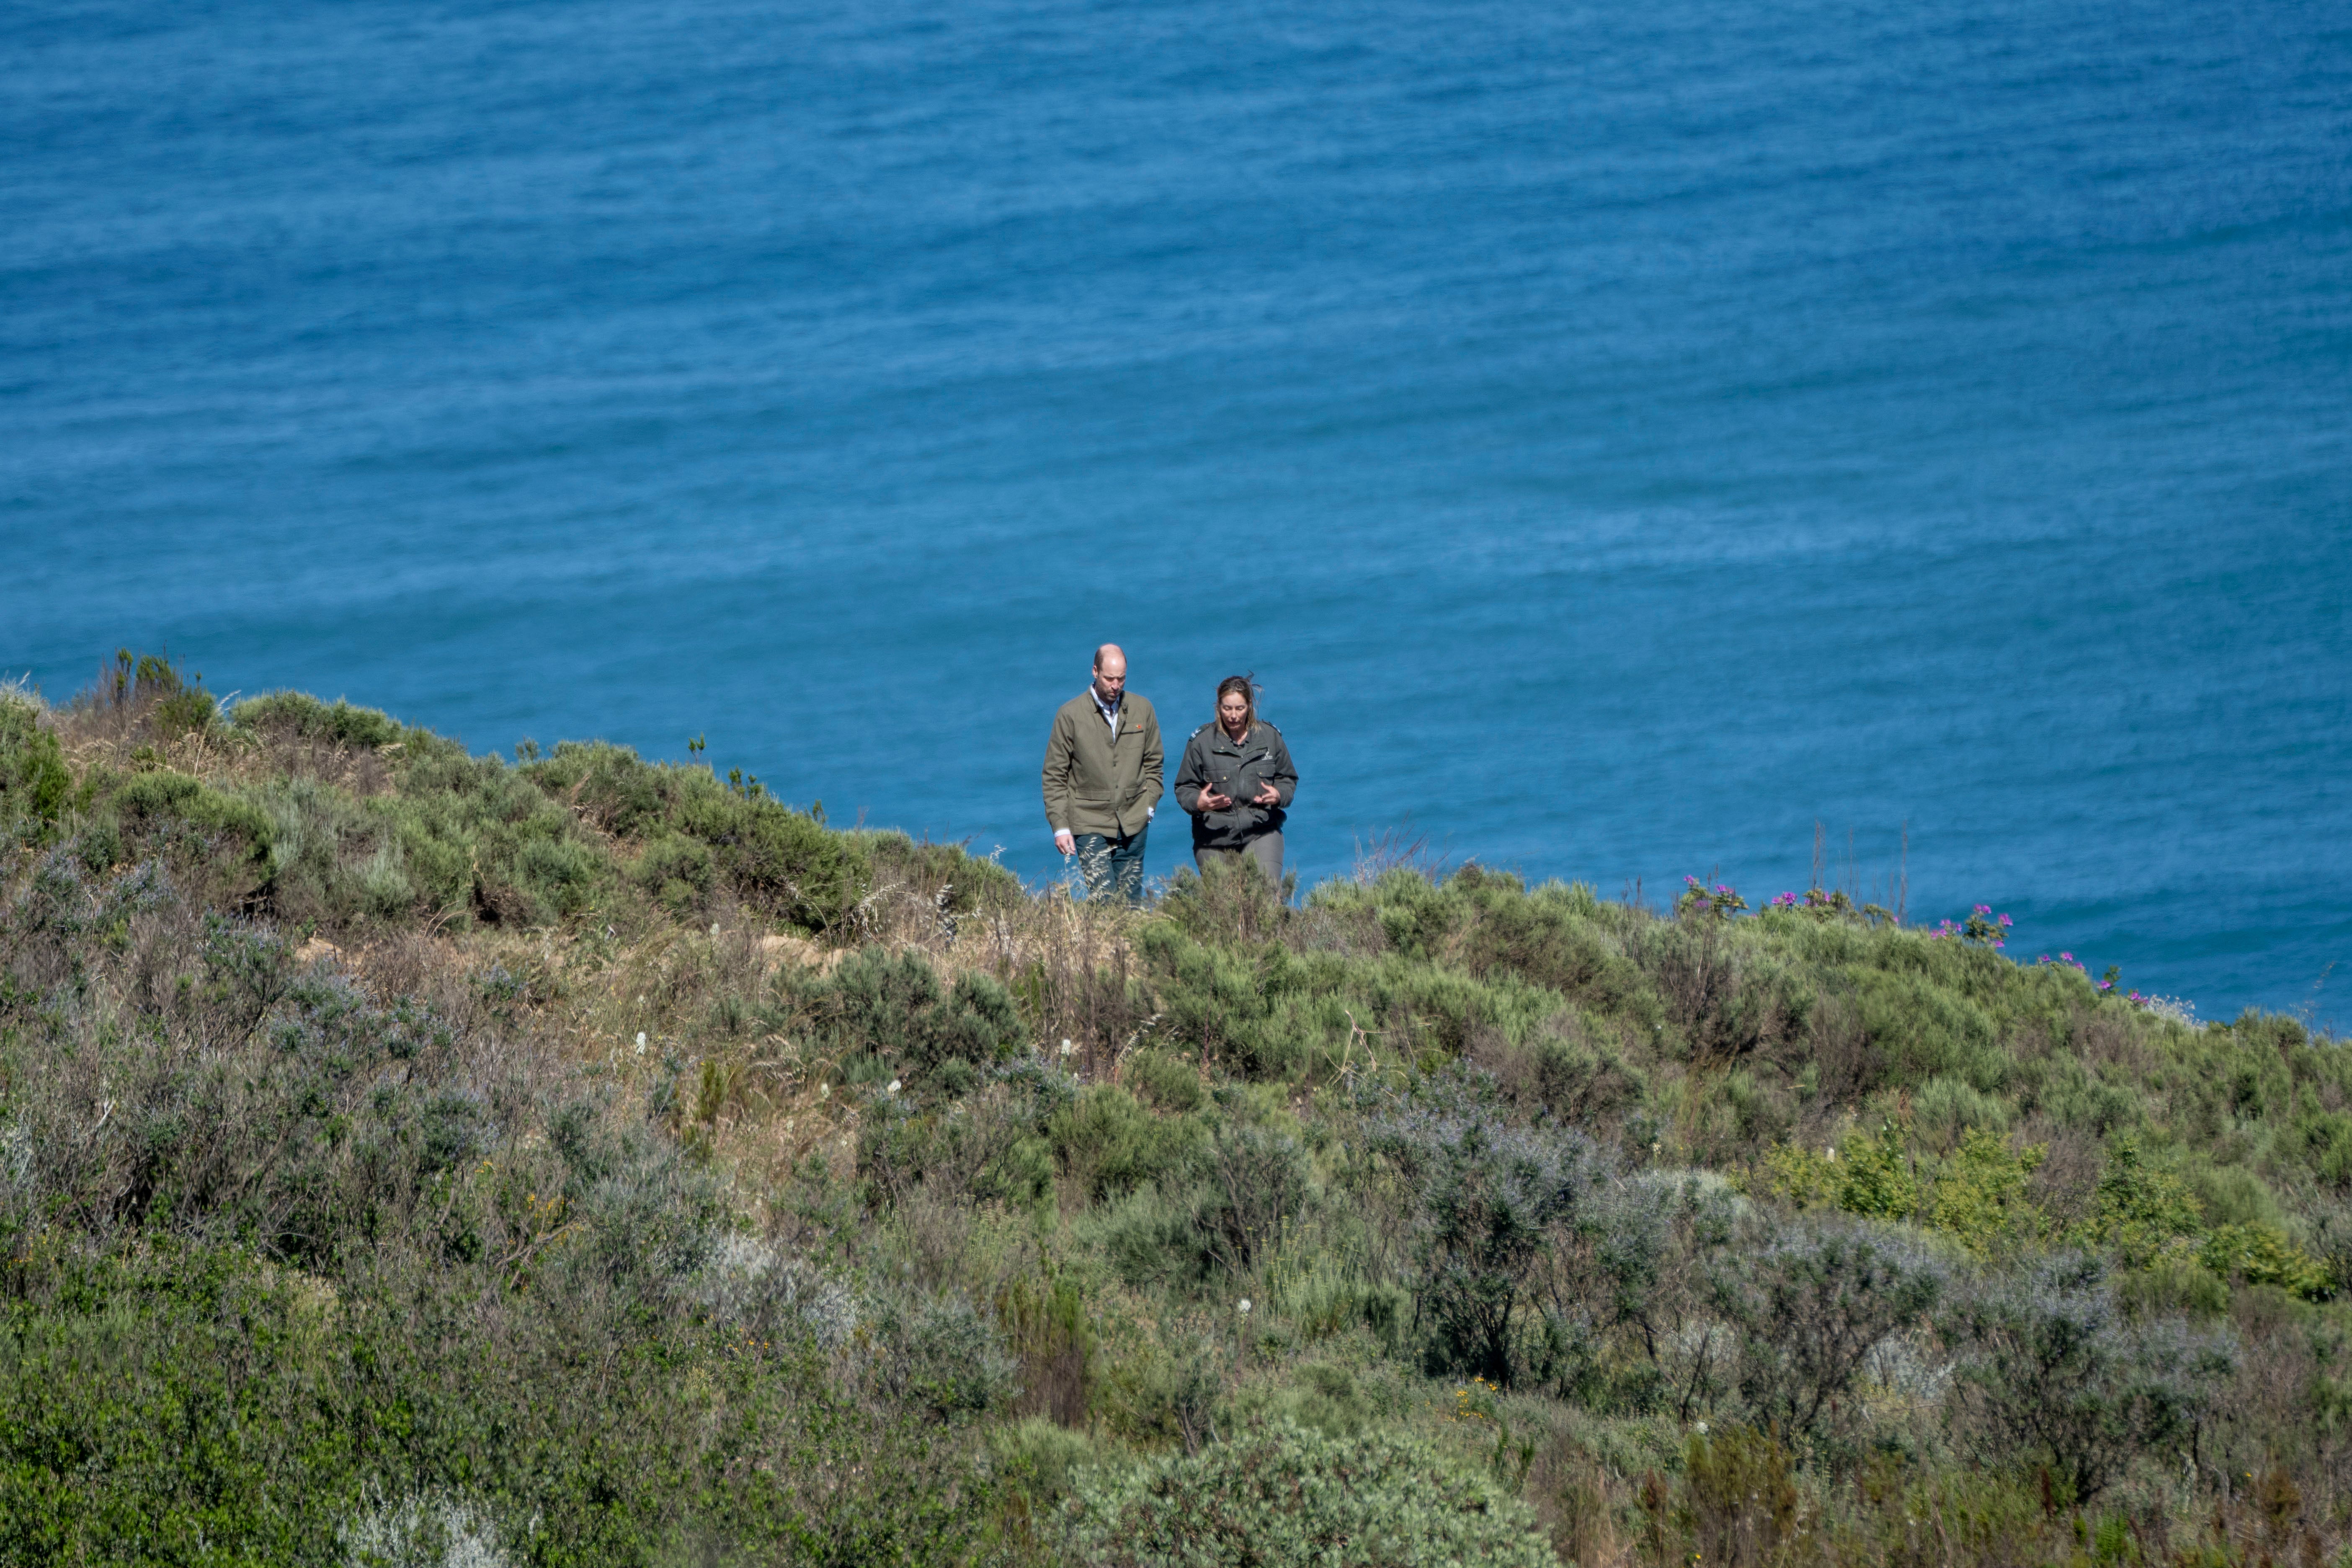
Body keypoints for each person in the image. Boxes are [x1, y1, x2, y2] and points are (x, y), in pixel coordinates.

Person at [1040, 643, 1163, 904]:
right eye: (1109, 679)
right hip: (1089, 822)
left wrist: (1149, 807)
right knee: (1105, 903)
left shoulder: (1143, 709)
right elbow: (1054, 775)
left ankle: (1128, 947)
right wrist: (1060, 826)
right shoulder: (1070, 716)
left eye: (1121, 679)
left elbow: (1154, 763)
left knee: (1130, 906)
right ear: (1095, 672)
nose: (1116, 686)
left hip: (1134, 822)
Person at [1173, 675, 1296, 885]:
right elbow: (1185, 787)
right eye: (1227, 708)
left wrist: (1279, 795)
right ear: (1218, 707)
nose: (1233, 716)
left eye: (1240, 708)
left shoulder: (1269, 737)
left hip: (1261, 830)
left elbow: (1288, 779)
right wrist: (1198, 803)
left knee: (1266, 893)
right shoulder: (1202, 742)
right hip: (1214, 837)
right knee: (1224, 903)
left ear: (1250, 705)